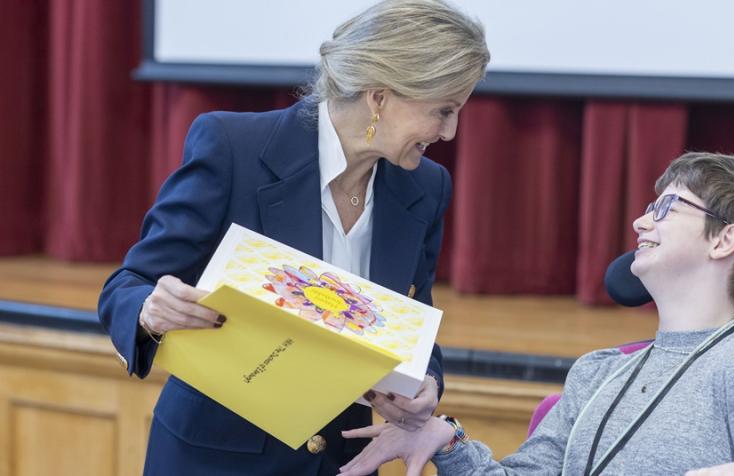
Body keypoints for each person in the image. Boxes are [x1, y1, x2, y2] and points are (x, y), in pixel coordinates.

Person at [97, 1, 490, 474]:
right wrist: (149, 310)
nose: (449, 132)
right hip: (216, 460)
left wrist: (425, 381)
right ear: (380, 97)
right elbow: (129, 282)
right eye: (443, 111)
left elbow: (413, 321)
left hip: (341, 462)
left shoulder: (426, 187)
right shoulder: (232, 147)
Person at [338, 152, 734, 476]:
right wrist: (446, 441)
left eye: (666, 208)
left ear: (724, 240)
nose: (640, 222)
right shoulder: (597, 373)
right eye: (646, 208)